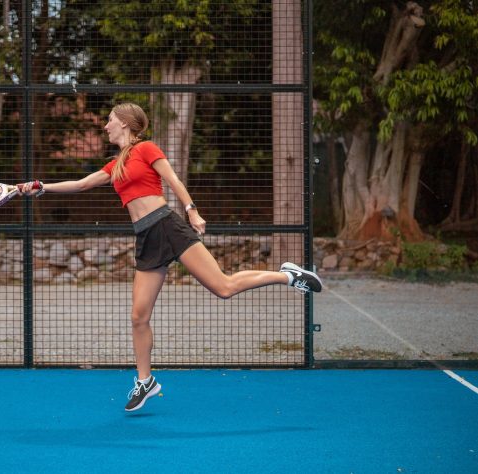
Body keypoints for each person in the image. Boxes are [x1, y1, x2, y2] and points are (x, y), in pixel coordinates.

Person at [18, 102, 322, 412]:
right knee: (138, 316)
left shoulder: (147, 148)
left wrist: (192, 211)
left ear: (124, 123)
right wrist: (42, 187)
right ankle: (145, 381)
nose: (105, 125)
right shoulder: (116, 164)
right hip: (147, 237)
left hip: (168, 226)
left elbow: (174, 179)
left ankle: (288, 275)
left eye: (109, 120)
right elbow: (81, 184)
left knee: (224, 287)